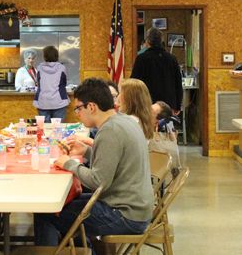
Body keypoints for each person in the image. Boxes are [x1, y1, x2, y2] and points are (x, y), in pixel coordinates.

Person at [34, 78, 153, 246]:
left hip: (125, 215)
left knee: (46, 212)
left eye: (78, 109)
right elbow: (115, 161)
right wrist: (87, 151)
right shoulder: (123, 120)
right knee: (67, 203)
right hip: (135, 207)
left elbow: (98, 181)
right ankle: (85, 249)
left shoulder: (109, 130)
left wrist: (68, 163)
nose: (77, 114)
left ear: (91, 107)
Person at [131, 27, 183, 115]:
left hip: (147, 104)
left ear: (147, 41)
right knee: (166, 127)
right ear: (161, 41)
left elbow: (134, 82)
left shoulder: (141, 58)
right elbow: (178, 83)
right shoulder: (172, 59)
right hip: (168, 104)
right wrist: (178, 105)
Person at [33, 46, 69, 122]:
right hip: (59, 101)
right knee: (58, 129)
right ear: (56, 56)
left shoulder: (39, 68)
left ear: (45, 56)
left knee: (45, 128)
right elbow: (64, 83)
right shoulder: (62, 68)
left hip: (43, 101)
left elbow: (38, 83)